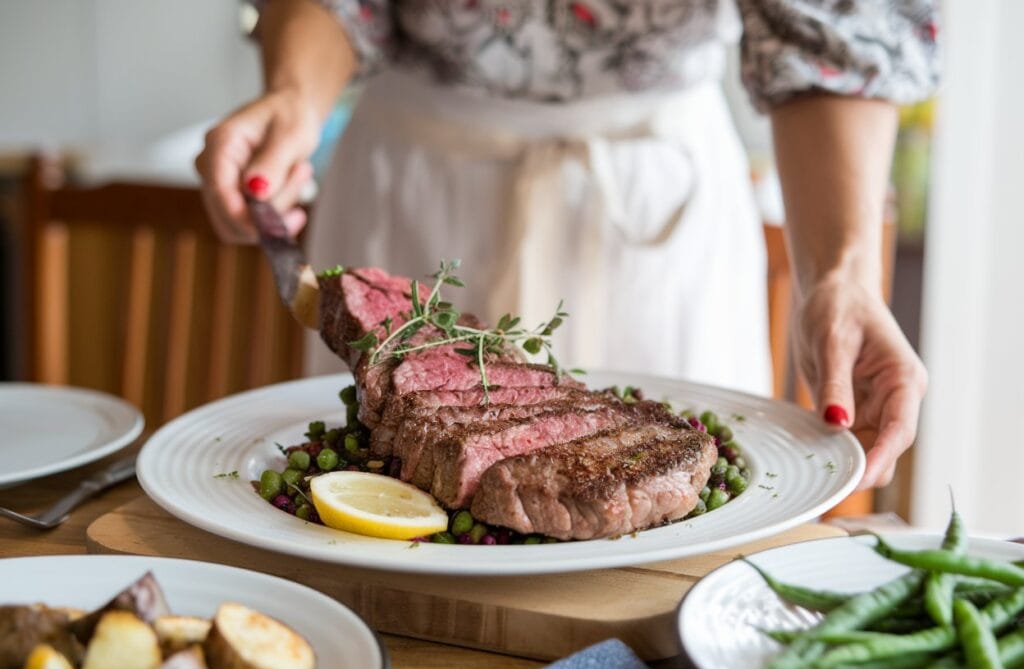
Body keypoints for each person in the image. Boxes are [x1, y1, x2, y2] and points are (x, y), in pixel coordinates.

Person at [195, 0, 937, 489]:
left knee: (671, 524)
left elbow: (841, 26)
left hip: (651, 198)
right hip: (411, 180)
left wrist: (843, 275)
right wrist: (293, 98)